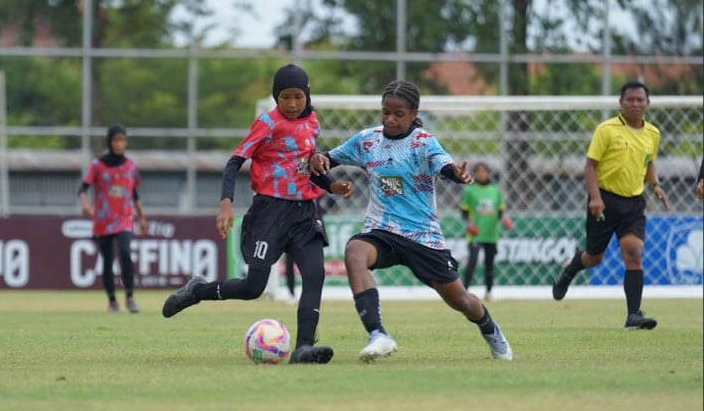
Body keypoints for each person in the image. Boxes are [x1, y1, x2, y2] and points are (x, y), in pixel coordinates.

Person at [310, 79, 513, 362]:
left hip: (422, 237)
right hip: (381, 230)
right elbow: (329, 158)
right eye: (386, 112)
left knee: (461, 301)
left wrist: (456, 174)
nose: (390, 120)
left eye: (399, 114)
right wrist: (319, 158)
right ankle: (378, 335)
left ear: (414, 114)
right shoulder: (367, 141)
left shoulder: (423, 142)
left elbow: (444, 165)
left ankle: (489, 328)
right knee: (354, 252)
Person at [162, 64, 352, 364]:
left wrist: (331, 186)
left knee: (315, 274)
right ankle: (197, 291)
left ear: (307, 96)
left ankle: (303, 348)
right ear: (276, 97)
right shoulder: (267, 123)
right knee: (253, 288)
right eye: (285, 97)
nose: (292, 104)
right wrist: (226, 202)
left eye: (298, 96)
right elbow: (234, 162)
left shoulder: (312, 122)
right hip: (270, 213)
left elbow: (304, 168)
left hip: (305, 213)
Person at [551, 80, 670, 330]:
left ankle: (633, 316)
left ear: (647, 104)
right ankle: (571, 269)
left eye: (640, 100)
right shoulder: (606, 129)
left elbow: (649, 162)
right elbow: (590, 166)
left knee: (633, 253)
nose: (635, 104)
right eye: (630, 100)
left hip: (634, 203)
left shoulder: (653, 133)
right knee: (594, 257)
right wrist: (595, 198)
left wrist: (656, 185)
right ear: (621, 102)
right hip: (605, 200)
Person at [79, 124, 149, 313]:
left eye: (122, 140)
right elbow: (82, 189)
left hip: (124, 219)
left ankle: (130, 297)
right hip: (103, 220)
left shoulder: (130, 166)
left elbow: (134, 194)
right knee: (107, 261)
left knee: (125, 254)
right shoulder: (97, 165)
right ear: (110, 142)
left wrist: (142, 218)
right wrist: (85, 204)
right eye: (116, 140)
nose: (119, 144)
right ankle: (112, 300)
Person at [459, 161, 513, 301]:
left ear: (488, 173)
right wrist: (469, 224)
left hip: (491, 233)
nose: (481, 174)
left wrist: (505, 220)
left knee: (489, 264)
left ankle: (489, 291)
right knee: (472, 262)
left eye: (484, 171)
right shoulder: (470, 190)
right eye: (478, 171)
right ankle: (463, 292)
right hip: (475, 234)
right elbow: (464, 212)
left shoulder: (495, 190)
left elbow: (500, 211)